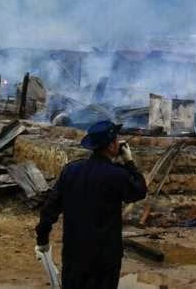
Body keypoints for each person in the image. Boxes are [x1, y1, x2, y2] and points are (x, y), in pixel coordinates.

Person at [35, 120, 147, 289]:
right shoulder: (118, 175)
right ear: (111, 146)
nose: (118, 143)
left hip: (74, 256)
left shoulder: (71, 170)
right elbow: (139, 191)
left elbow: (50, 209)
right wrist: (129, 162)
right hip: (105, 259)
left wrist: (42, 239)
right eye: (116, 140)